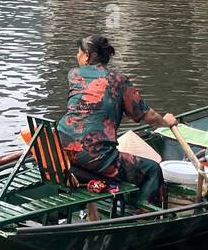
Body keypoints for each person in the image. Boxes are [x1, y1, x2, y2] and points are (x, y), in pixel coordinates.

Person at [56, 35, 176, 207]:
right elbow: (147, 116)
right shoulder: (118, 80)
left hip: (62, 151)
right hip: (95, 156)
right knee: (152, 170)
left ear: (88, 56)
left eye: (79, 52)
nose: (77, 56)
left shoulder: (73, 75)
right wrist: (167, 122)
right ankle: (144, 216)